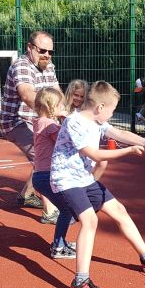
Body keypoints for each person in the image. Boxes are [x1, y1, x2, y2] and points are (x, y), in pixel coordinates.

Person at [50, 81, 145, 288]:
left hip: (84, 178)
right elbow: (95, 155)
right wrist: (130, 151)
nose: (112, 114)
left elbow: (118, 133)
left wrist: (144, 142)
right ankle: (80, 284)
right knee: (90, 221)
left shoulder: (97, 121)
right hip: (66, 179)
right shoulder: (75, 122)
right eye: (112, 110)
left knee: (119, 210)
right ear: (100, 107)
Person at [32, 87, 98, 257]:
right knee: (67, 209)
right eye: (60, 104)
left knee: (66, 208)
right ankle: (58, 246)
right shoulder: (49, 125)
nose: (63, 107)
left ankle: (60, 242)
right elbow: (68, 140)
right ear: (51, 106)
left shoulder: (40, 121)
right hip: (47, 175)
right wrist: (69, 119)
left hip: (41, 175)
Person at [0, 30, 61, 210]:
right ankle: (50, 210)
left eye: (50, 52)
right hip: (16, 122)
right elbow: (28, 95)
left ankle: (26, 194)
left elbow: (57, 93)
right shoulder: (21, 66)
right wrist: (54, 112)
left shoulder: (49, 66)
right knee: (48, 158)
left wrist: (67, 114)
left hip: (39, 120)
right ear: (30, 47)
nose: (47, 55)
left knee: (56, 151)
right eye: (42, 50)